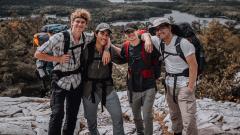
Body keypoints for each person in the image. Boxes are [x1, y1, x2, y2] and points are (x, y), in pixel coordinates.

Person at [34, 9, 110, 135]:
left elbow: (104, 38)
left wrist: (106, 50)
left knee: (72, 115)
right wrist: (57, 59)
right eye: (77, 21)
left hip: (76, 80)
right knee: (57, 113)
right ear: (72, 22)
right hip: (59, 79)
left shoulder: (86, 37)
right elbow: (38, 54)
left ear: (86, 25)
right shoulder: (59, 38)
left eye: (83, 22)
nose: (80, 24)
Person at [150, 17, 198, 135]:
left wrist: (190, 87)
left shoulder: (183, 43)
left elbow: (194, 66)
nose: (159, 31)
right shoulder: (158, 41)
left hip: (184, 84)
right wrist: (146, 39)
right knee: (174, 115)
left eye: (162, 28)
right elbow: (140, 34)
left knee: (188, 118)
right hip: (169, 85)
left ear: (170, 28)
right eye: (157, 29)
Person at [112, 23, 160, 135]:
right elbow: (122, 56)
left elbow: (157, 61)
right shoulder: (126, 46)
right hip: (132, 86)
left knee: (147, 115)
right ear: (125, 35)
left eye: (132, 31)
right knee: (136, 115)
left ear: (137, 31)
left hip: (149, 85)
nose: (130, 34)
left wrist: (156, 76)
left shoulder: (147, 45)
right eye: (127, 32)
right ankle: (140, 132)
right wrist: (109, 46)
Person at [82, 23, 125, 135]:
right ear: (96, 34)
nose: (104, 37)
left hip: (107, 88)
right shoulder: (86, 49)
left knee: (118, 118)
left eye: (107, 35)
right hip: (88, 90)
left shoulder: (110, 50)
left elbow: (124, 57)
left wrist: (108, 48)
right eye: (102, 33)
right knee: (91, 121)